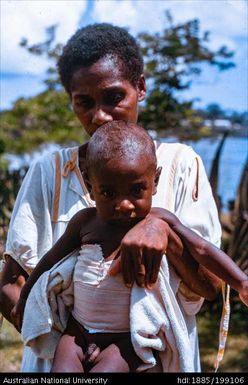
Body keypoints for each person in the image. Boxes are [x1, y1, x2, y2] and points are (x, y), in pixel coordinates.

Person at [0, 23, 222, 372]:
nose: (99, 115)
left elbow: (210, 286)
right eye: (84, 102)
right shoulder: (50, 172)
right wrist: (75, 344)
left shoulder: (181, 166)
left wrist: (161, 230)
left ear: (141, 87)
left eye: (114, 96)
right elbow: (11, 284)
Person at [12, 122, 248, 373]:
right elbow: (50, 261)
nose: (124, 204)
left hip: (123, 340)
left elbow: (202, 249)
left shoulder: (162, 219)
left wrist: (241, 282)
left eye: (136, 190)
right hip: (76, 332)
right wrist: (26, 296)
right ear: (91, 187)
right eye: (109, 192)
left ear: (154, 181)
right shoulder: (84, 223)